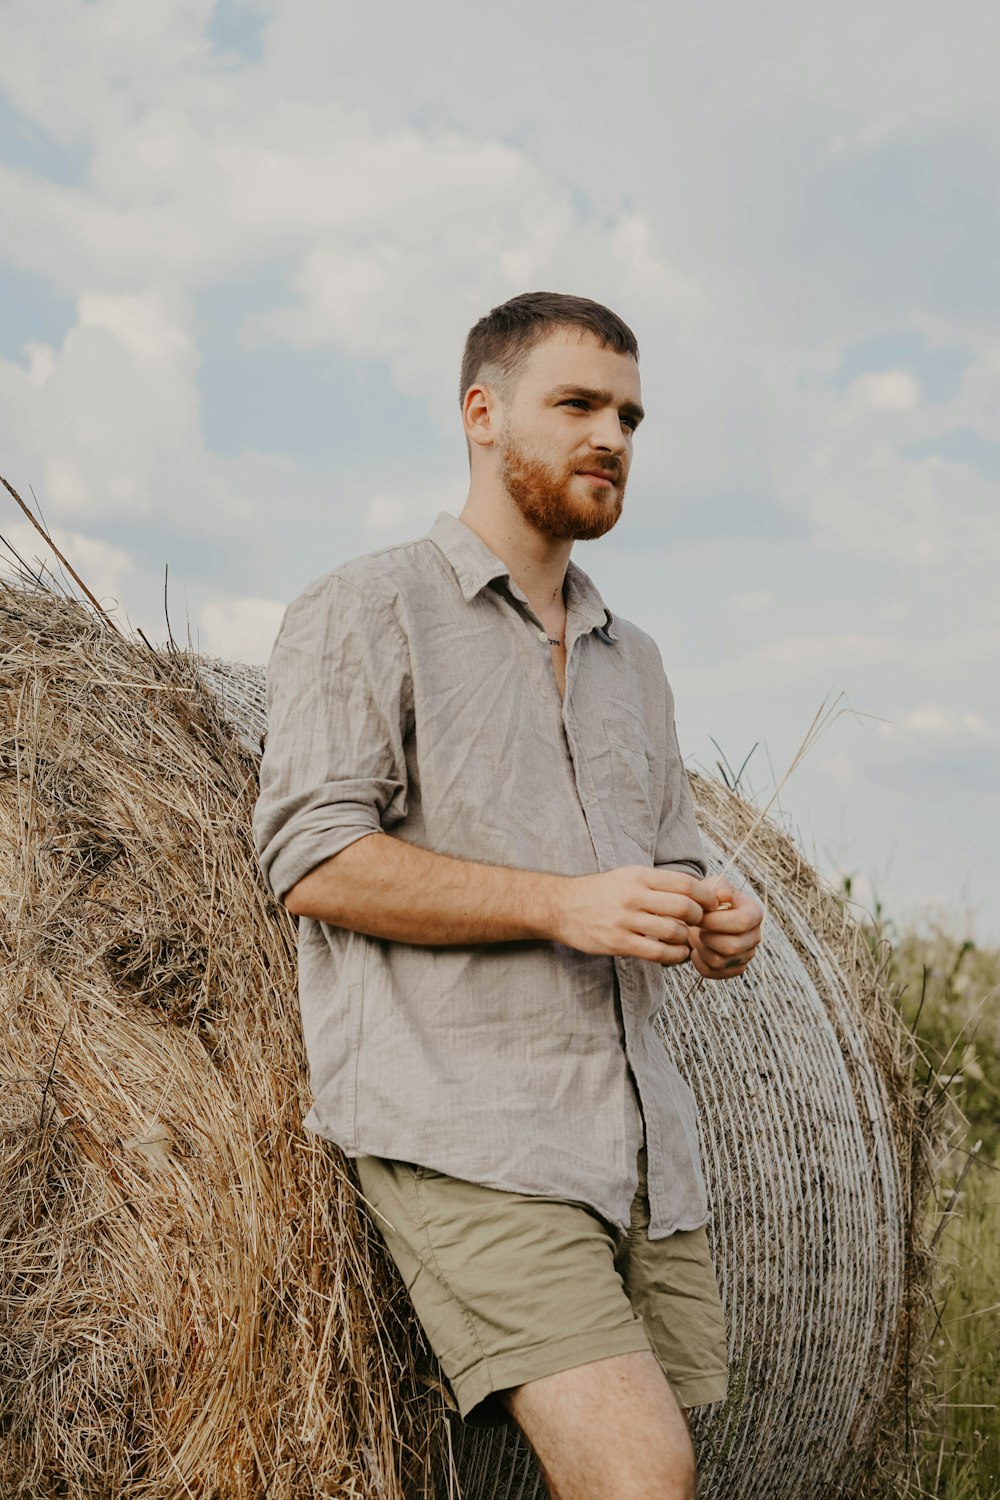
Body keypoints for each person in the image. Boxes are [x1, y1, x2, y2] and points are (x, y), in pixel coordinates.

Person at [253, 291, 764, 1500]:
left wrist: (711, 916)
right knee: (642, 1475)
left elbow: (672, 854)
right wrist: (561, 906)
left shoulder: (631, 658)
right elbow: (312, 859)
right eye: (578, 404)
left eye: (631, 416)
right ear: (482, 414)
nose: (613, 438)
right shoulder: (368, 608)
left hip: (639, 1148)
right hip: (469, 1128)